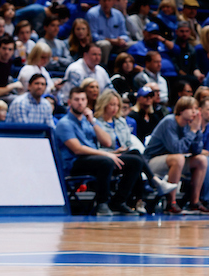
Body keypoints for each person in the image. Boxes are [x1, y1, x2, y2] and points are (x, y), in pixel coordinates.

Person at [53, 86, 142, 216]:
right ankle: (102, 203)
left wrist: (93, 122)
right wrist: (106, 154)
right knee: (105, 162)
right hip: (74, 163)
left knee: (135, 161)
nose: (80, 102)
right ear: (69, 102)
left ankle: (118, 202)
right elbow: (77, 149)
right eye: (76, 99)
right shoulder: (64, 123)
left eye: (83, 99)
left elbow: (107, 142)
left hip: (94, 158)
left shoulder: (88, 121)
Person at [142, 96, 209, 215]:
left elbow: (197, 150)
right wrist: (193, 132)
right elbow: (176, 149)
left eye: (196, 109)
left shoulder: (190, 125)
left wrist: (197, 130)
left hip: (173, 160)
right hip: (151, 162)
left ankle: (195, 202)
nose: (195, 113)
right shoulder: (169, 122)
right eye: (191, 109)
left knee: (202, 160)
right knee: (178, 158)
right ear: (181, 110)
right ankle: (171, 203)